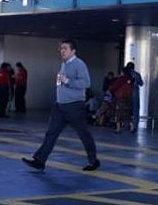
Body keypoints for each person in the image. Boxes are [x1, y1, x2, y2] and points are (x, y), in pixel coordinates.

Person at [21, 39, 100, 172]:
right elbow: (60, 80)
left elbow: (86, 83)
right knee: (51, 133)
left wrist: (68, 81)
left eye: (65, 48)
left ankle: (93, 161)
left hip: (74, 106)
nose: (62, 51)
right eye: (61, 48)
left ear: (73, 51)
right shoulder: (64, 64)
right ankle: (40, 160)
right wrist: (59, 86)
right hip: (60, 106)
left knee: (83, 134)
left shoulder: (79, 64)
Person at [109, 67, 135, 133]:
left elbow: (113, 88)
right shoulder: (131, 79)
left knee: (119, 113)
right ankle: (132, 127)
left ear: (123, 72)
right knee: (129, 112)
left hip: (120, 98)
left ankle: (118, 129)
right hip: (129, 98)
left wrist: (112, 92)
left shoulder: (120, 79)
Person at [125, 62, 143, 128]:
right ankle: (135, 125)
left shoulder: (126, 74)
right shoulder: (137, 74)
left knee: (126, 108)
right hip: (135, 92)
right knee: (136, 109)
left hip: (127, 92)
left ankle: (127, 124)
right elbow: (141, 83)